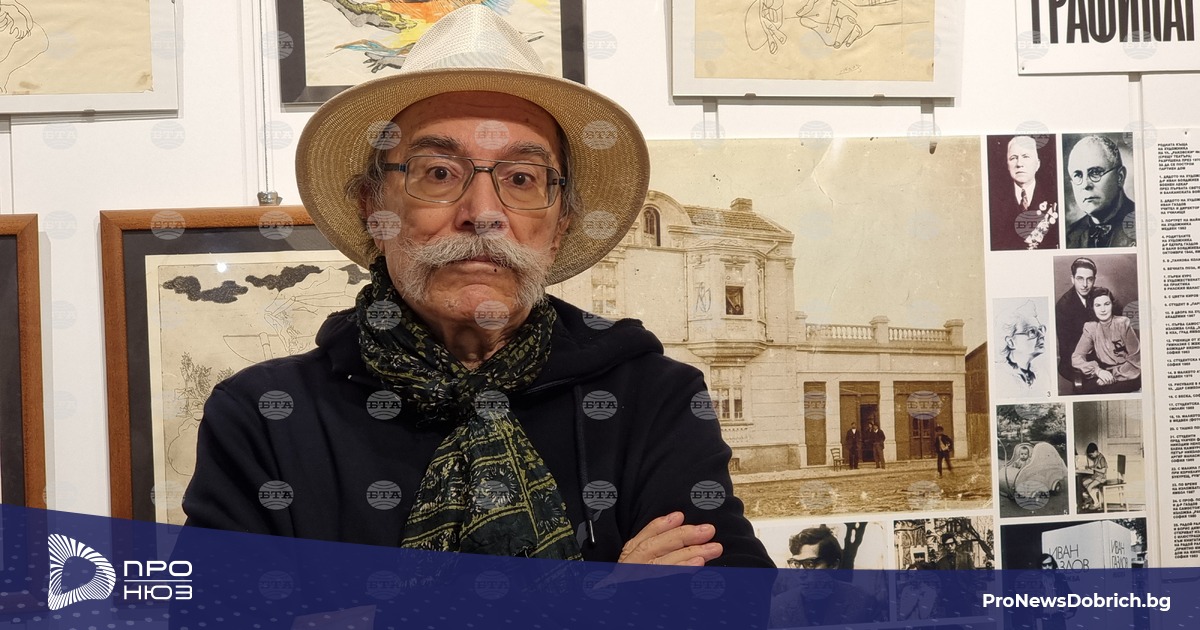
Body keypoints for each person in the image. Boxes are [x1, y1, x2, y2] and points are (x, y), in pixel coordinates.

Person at [183, 5, 771, 568]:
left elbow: (731, 601)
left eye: (522, 178)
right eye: (439, 173)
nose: (483, 212)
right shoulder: (266, 414)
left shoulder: (652, 398)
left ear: (561, 225)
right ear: (372, 208)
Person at [770, 526, 882, 625]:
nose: (801, 573)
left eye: (810, 564)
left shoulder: (864, 604)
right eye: (796, 564)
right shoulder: (778, 607)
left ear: (833, 565)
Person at [1064, 135, 1136, 249]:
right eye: (1078, 175)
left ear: (1120, 177)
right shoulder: (1069, 236)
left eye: (1095, 172)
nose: (1086, 185)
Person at [991, 135, 1059, 250]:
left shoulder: (1054, 197)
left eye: (1025, 156)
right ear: (1007, 165)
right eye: (1013, 158)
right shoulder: (993, 202)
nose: (1019, 164)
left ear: (1037, 164)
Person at [1072, 286, 1141, 393]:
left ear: (1112, 305)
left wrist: (1113, 376)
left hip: (1128, 374)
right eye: (1098, 305)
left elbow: (1136, 358)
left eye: (1107, 304)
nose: (1103, 309)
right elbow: (1077, 357)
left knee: (1110, 389)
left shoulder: (1123, 323)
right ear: (1092, 308)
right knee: (1086, 389)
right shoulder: (1090, 328)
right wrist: (1098, 371)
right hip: (1105, 374)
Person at [996, 300, 1052, 397]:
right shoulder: (1000, 375)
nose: (1042, 335)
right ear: (1011, 342)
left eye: (1041, 329)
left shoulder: (1042, 374)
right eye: (1032, 331)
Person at [1079, 443, 1109, 511]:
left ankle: (1096, 502)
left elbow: (1103, 470)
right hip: (1096, 476)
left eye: (1091, 455)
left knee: (1089, 487)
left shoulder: (1101, 458)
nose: (1091, 456)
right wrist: (1090, 467)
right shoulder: (1096, 457)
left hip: (1101, 478)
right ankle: (1093, 491)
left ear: (1095, 451)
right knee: (1084, 482)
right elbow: (1097, 466)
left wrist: (1094, 469)